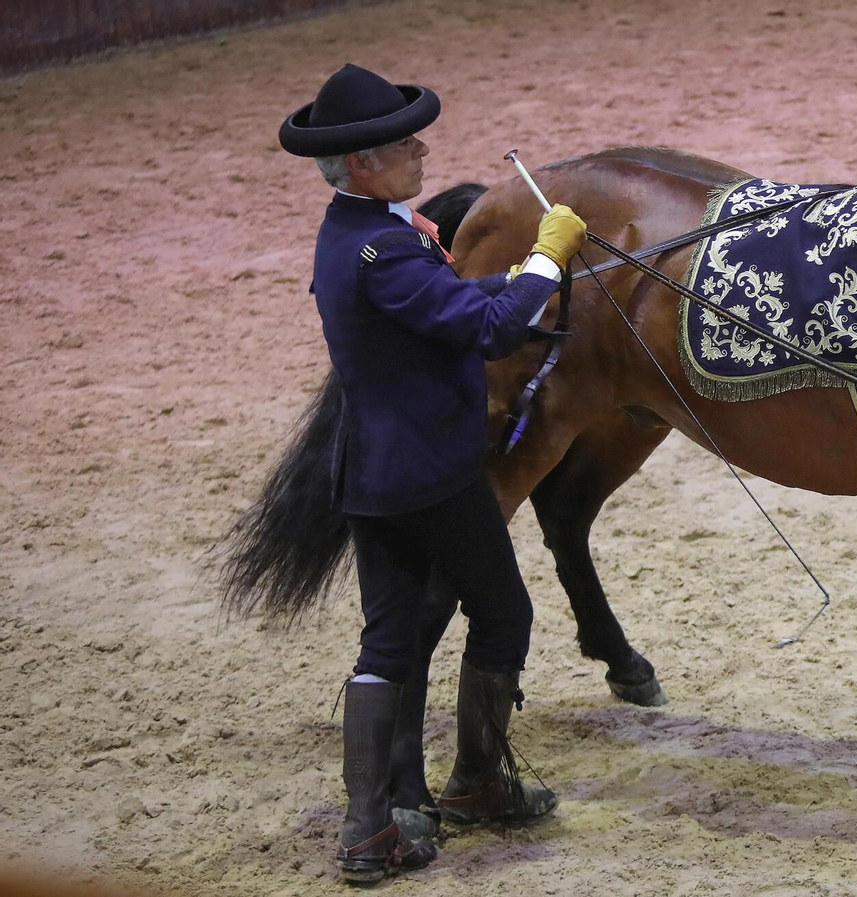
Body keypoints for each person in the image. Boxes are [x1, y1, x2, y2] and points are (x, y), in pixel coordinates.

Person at [278, 63, 585, 883]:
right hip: (428, 472)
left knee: (391, 635)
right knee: (502, 612)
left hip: (373, 468)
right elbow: (487, 333)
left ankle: (371, 823)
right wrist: (547, 262)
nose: (421, 149)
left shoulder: (356, 229)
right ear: (367, 162)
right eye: (404, 143)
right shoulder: (385, 244)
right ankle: (478, 782)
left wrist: (507, 280)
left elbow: (436, 303)